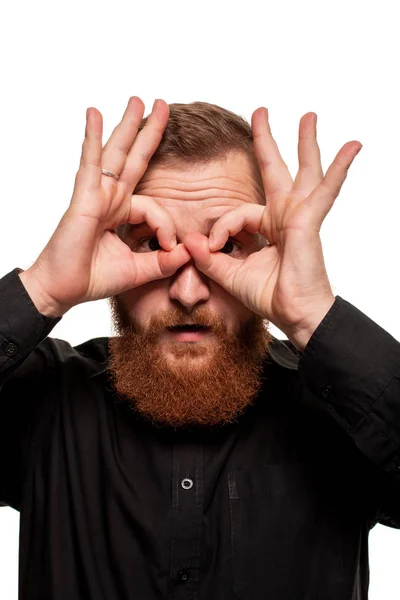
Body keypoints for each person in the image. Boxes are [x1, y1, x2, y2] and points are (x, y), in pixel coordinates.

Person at [0, 97, 399, 600]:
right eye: (152, 244)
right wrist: (43, 288)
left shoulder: (338, 408)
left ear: (268, 250)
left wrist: (311, 314)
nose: (188, 293)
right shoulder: (43, 397)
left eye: (227, 245)